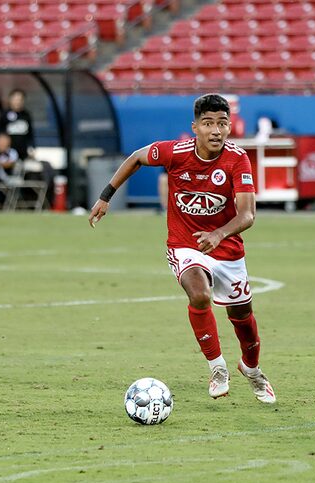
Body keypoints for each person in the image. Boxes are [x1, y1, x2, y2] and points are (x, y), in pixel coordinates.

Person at [88, 93, 276, 404]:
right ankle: (217, 367)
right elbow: (136, 157)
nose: (215, 131)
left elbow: (247, 215)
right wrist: (106, 196)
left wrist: (218, 234)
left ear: (229, 128)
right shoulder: (175, 152)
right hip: (184, 244)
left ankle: (252, 370)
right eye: (208, 124)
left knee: (244, 320)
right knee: (199, 295)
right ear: (195, 128)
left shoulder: (237, 159)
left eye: (222, 124)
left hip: (226, 248)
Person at [0, 89, 34, 161]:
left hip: (23, 151)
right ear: (10, 100)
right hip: (8, 152)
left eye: (20, 99)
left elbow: (30, 134)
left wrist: (32, 148)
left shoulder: (26, 115)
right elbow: (0, 134)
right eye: (15, 99)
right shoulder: (4, 115)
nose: (17, 102)